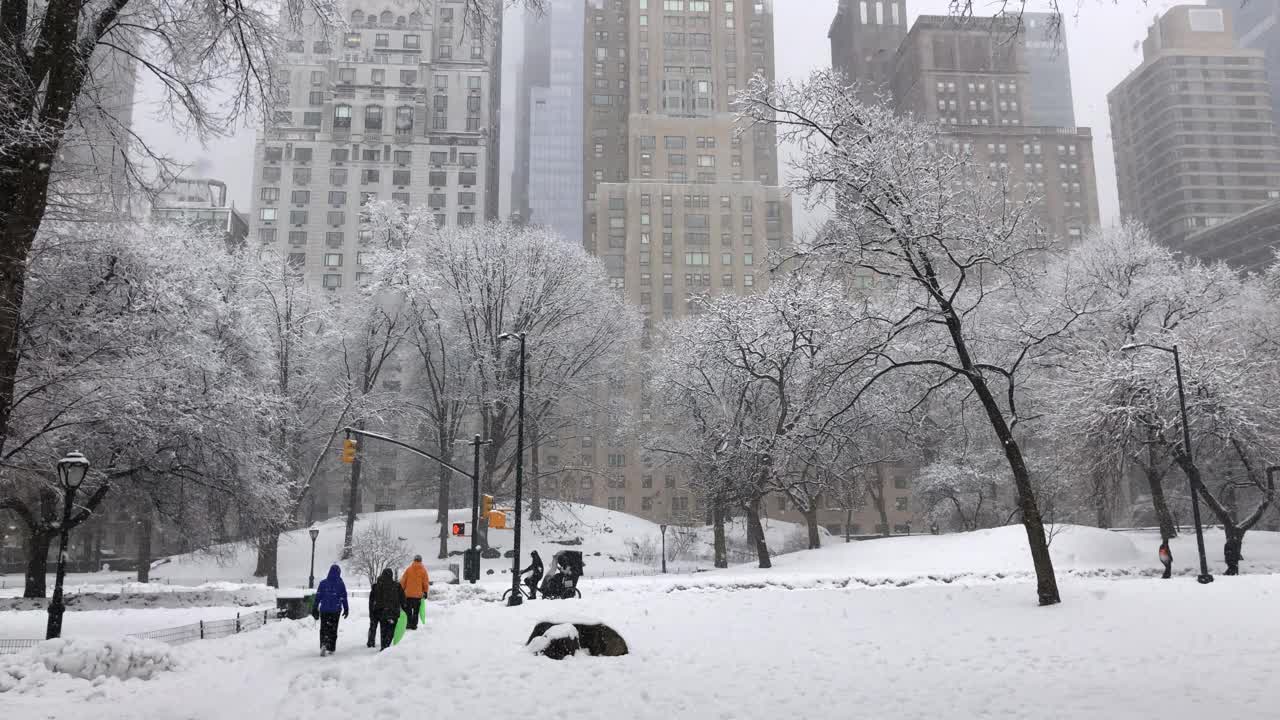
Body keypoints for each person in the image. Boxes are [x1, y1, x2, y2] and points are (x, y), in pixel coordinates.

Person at [314, 564, 349, 656]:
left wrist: (315, 608)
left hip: (324, 610)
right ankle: (331, 648)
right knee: (333, 629)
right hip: (335, 610)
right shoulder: (341, 584)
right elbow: (344, 597)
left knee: (324, 628)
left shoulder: (323, 583)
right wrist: (346, 609)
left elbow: (318, 597)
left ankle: (323, 644)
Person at [369, 568, 405, 650]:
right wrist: (404, 608)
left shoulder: (378, 586)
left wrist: (374, 611)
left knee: (383, 631)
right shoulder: (397, 585)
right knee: (391, 632)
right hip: (394, 613)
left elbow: (375, 599)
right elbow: (403, 599)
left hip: (383, 613)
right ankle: (386, 647)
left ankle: (383, 647)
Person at [399, 554, 430, 630]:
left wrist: (400, 590)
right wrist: (425, 592)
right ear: (421, 561)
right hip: (418, 596)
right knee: (416, 612)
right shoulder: (423, 571)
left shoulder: (409, 569)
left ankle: (408, 624)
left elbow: (403, 581)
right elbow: (425, 582)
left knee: (408, 611)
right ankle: (414, 625)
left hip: (408, 595)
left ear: (414, 560)